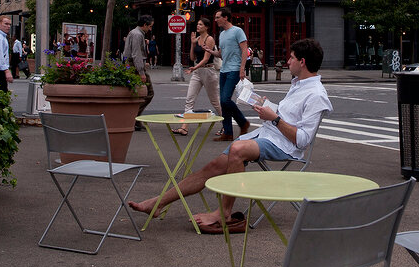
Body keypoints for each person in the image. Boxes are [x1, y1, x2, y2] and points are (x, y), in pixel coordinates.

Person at [130, 38, 332, 232]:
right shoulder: (298, 83)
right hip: (268, 135)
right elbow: (289, 115)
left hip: (286, 146)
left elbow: (303, 139)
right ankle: (157, 203)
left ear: (302, 62)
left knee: (237, 149)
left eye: (291, 57)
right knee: (213, 166)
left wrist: (275, 119)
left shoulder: (316, 94)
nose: (287, 61)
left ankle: (224, 213)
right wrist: (269, 109)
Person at [173, 18, 222, 136]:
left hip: (208, 71)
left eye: (200, 24)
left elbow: (206, 58)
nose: (198, 26)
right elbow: (192, 58)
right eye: (198, 24)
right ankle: (184, 127)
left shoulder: (209, 39)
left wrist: (194, 68)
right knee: (189, 99)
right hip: (197, 72)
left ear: (206, 27)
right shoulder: (198, 39)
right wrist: (193, 43)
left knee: (215, 101)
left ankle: (226, 126)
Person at [213, 7, 250, 142]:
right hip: (224, 70)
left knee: (225, 100)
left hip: (234, 69)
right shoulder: (222, 34)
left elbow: (245, 50)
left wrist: (242, 69)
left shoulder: (237, 31)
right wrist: (211, 51)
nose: (216, 20)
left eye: (218, 17)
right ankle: (228, 133)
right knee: (223, 103)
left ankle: (243, 122)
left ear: (226, 17)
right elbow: (221, 54)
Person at [123, 14, 155, 128]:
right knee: (149, 92)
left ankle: (134, 118)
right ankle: (134, 117)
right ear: (145, 25)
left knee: (138, 93)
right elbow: (136, 54)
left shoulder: (135, 33)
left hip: (131, 64)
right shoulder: (137, 35)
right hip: (134, 66)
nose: (150, 29)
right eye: (150, 26)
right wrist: (141, 72)